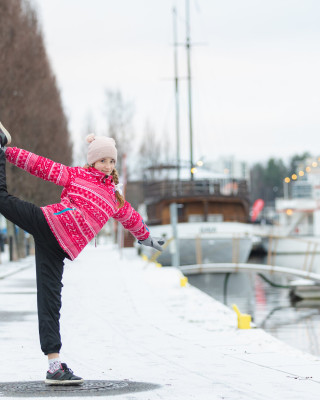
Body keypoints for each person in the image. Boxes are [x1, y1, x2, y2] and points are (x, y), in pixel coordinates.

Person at [0, 122, 164, 385]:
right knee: (2, 199)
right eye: (102, 160)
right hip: (48, 222)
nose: (107, 165)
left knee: (50, 303)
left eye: (111, 160)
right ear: (92, 161)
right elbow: (41, 165)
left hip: (58, 249)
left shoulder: (114, 198)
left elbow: (130, 217)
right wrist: (9, 153)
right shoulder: (76, 175)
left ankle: (54, 366)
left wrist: (146, 237)